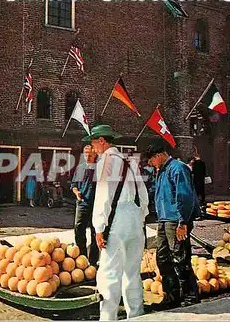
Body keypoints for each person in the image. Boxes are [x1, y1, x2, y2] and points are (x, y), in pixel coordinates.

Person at [83, 125, 149, 320]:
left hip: (116, 219)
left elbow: (103, 196)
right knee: (132, 272)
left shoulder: (107, 161)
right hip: (135, 219)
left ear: (102, 141)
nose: (92, 148)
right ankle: (136, 315)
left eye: (93, 143)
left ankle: (108, 318)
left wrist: (99, 228)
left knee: (109, 273)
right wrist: (140, 218)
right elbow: (143, 195)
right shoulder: (129, 161)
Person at [144, 144, 200, 308]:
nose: (152, 164)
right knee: (162, 258)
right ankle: (171, 296)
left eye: (152, 160)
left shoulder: (178, 168)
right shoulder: (161, 170)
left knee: (180, 258)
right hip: (163, 219)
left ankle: (191, 296)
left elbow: (184, 196)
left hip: (176, 220)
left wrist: (183, 222)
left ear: (160, 154)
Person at [71, 145, 99, 266]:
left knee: (95, 231)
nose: (87, 156)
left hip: (96, 204)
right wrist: (77, 192)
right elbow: (73, 185)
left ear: (95, 155)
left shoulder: (99, 169)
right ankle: (82, 258)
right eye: (86, 154)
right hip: (82, 203)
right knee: (79, 228)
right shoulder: (80, 168)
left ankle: (93, 261)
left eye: (90, 154)